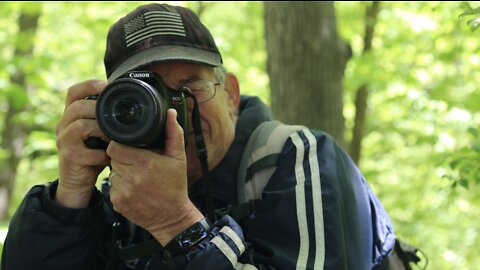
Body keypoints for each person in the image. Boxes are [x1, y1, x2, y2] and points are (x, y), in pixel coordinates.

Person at [1, 3, 399, 270]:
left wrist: (176, 223)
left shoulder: (296, 158)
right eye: (149, 96)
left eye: (190, 87)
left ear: (230, 95)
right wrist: (69, 198)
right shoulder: (120, 193)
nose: (174, 112)